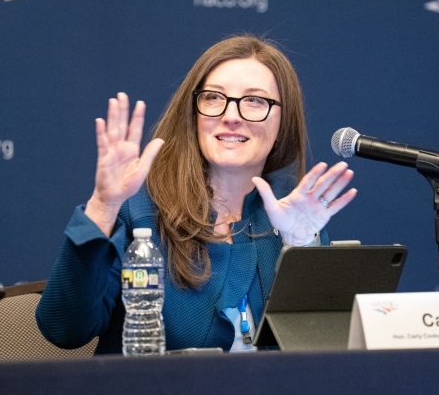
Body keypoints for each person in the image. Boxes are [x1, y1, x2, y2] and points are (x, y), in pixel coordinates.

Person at [36, 35, 356, 353]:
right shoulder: (139, 211)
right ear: (194, 113)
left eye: (255, 101)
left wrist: (302, 246)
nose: (231, 116)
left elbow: (321, 354)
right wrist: (103, 204)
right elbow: (65, 329)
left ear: (284, 121)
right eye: (215, 98)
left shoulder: (293, 216)